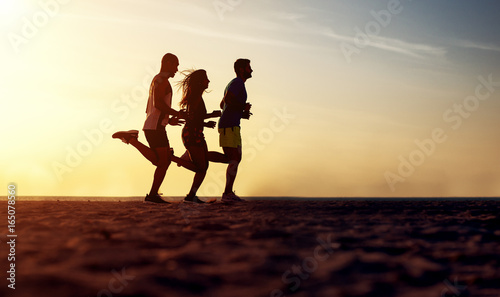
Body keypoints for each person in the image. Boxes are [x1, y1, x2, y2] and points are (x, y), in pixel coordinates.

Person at [112, 53, 185, 204]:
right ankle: (131, 139)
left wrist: (168, 119)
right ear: (168, 63)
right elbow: (158, 104)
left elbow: (157, 107)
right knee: (162, 163)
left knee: (162, 162)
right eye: (176, 65)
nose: (177, 69)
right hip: (155, 126)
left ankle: (152, 195)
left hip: (156, 125)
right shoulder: (161, 80)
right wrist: (175, 113)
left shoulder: (159, 80)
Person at [174, 69, 228, 203]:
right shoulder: (195, 97)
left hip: (197, 132)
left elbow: (197, 117)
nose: (208, 81)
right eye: (206, 79)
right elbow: (192, 119)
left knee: (204, 167)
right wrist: (208, 119)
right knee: (200, 167)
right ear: (200, 81)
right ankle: (173, 158)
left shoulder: (197, 96)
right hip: (191, 134)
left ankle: (191, 197)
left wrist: (209, 119)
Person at [218, 58, 253, 203]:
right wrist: (242, 107)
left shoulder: (235, 83)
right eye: (249, 67)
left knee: (235, 158)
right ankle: (227, 193)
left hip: (233, 124)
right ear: (241, 69)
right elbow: (227, 100)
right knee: (233, 159)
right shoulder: (237, 82)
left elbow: (222, 104)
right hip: (229, 125)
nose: (251, 70)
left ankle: (228, 192)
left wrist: (241, 113)